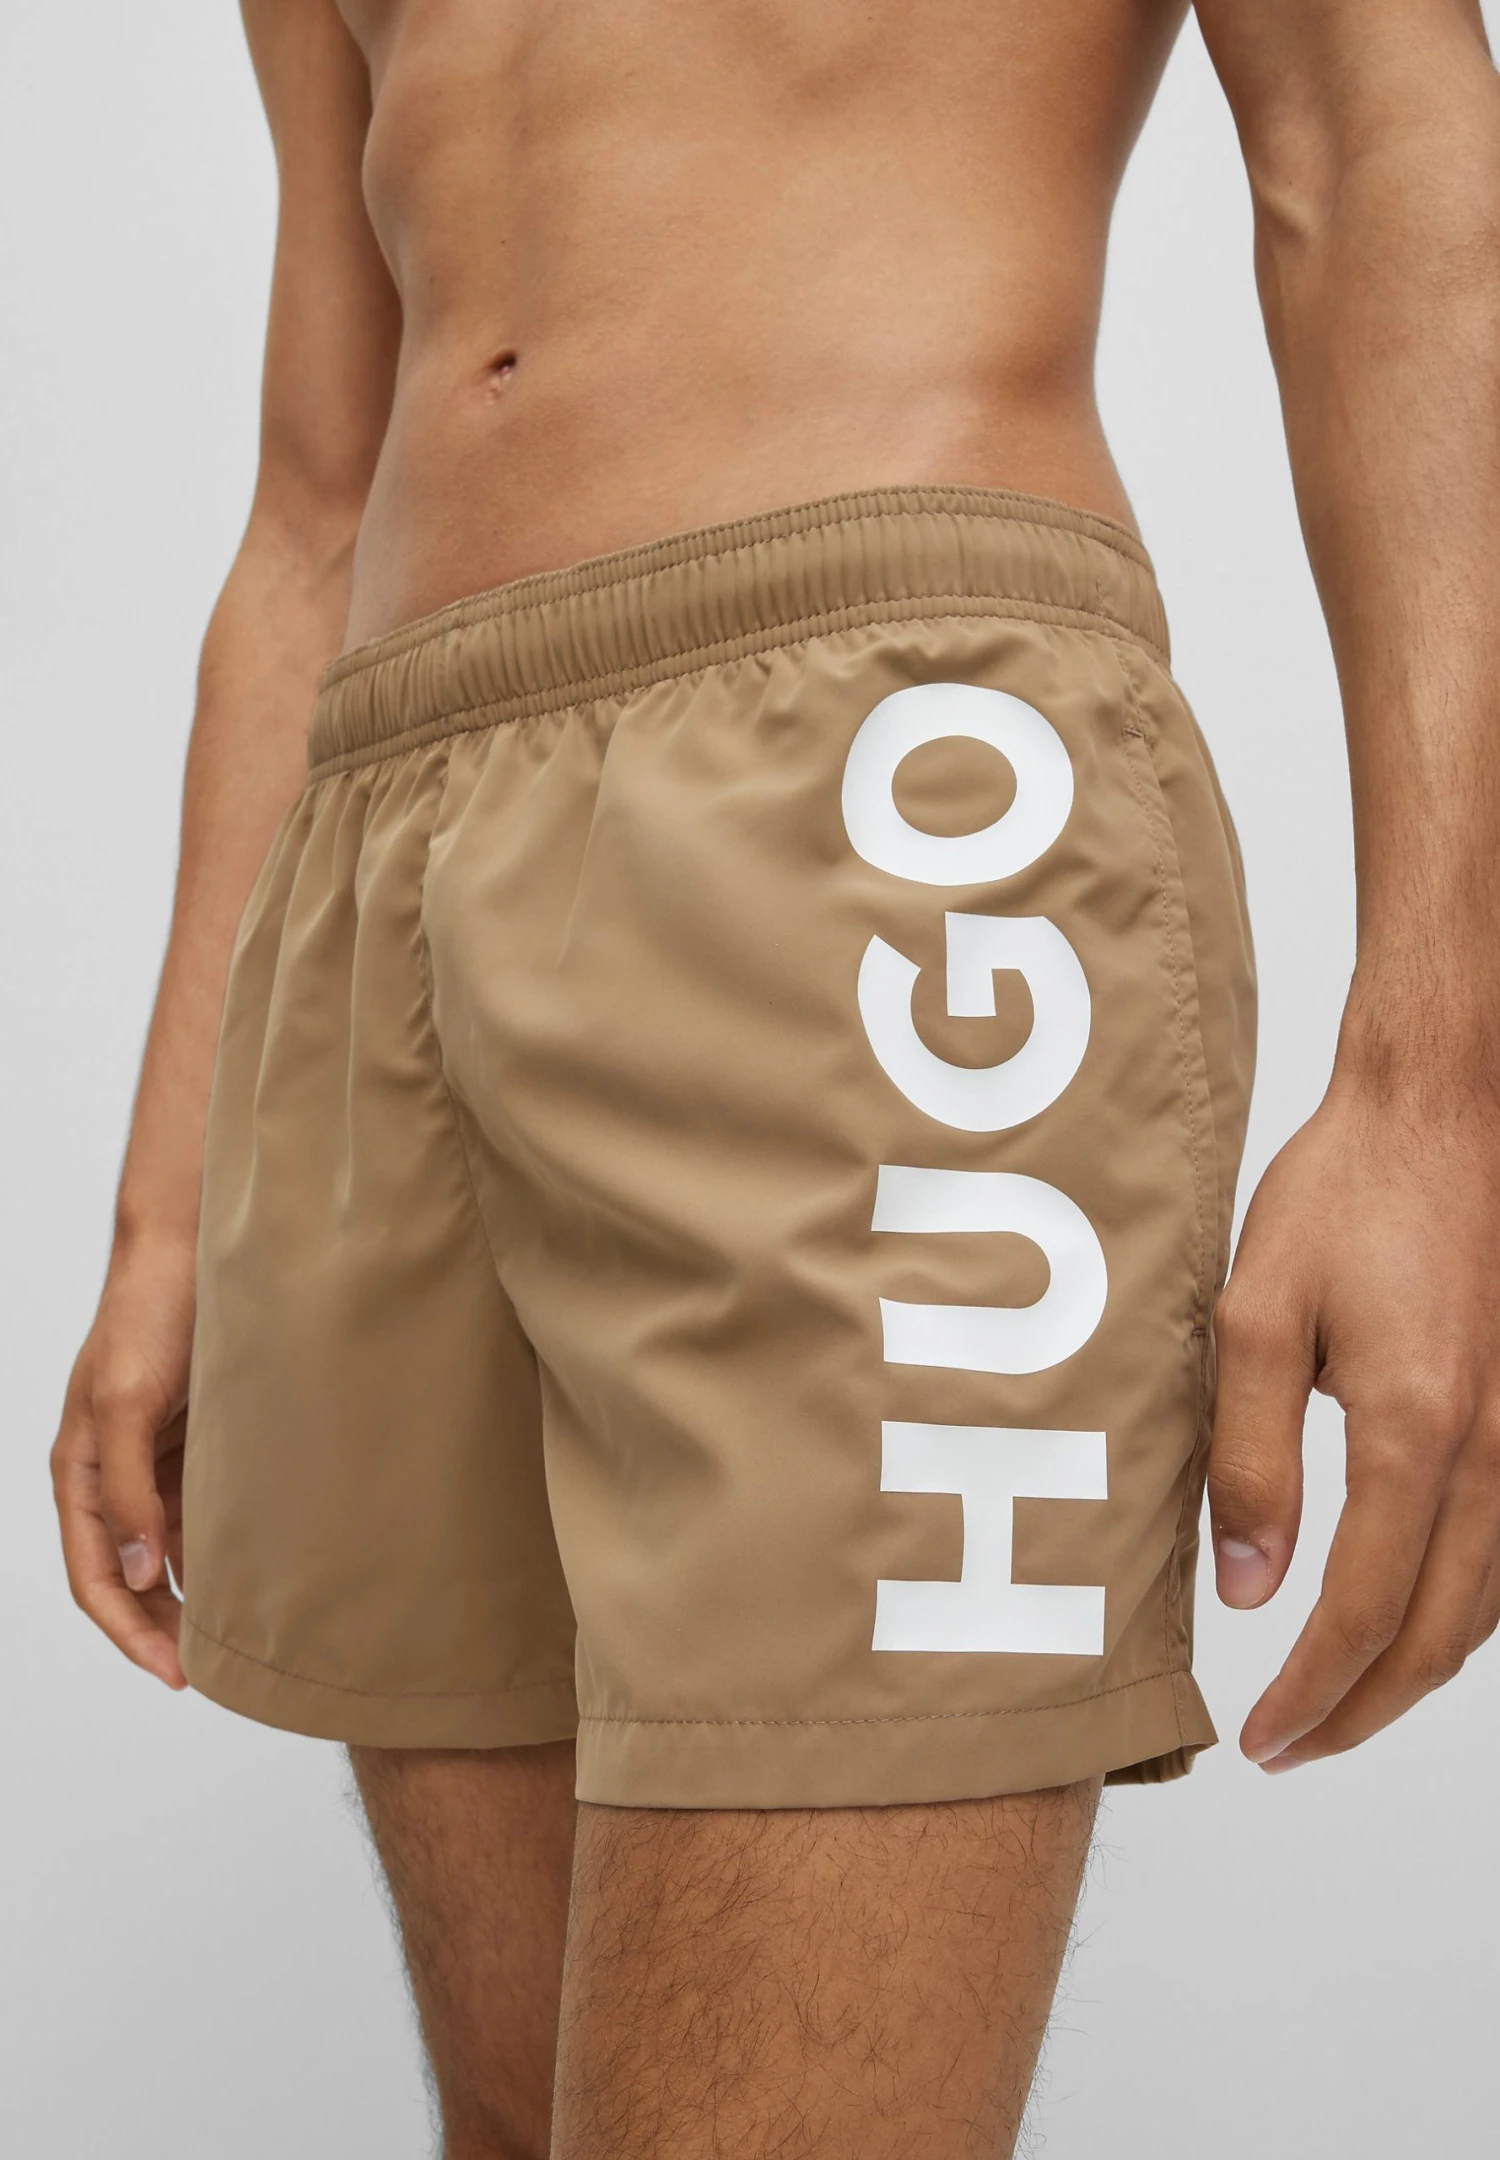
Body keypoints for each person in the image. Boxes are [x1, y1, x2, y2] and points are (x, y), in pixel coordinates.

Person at [49, 2, 1500, 2153]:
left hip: (891, 786)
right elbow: (317, 492)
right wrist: (169, 1203)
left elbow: (1372, 142)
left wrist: (1438, 1085)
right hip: (386, 835)